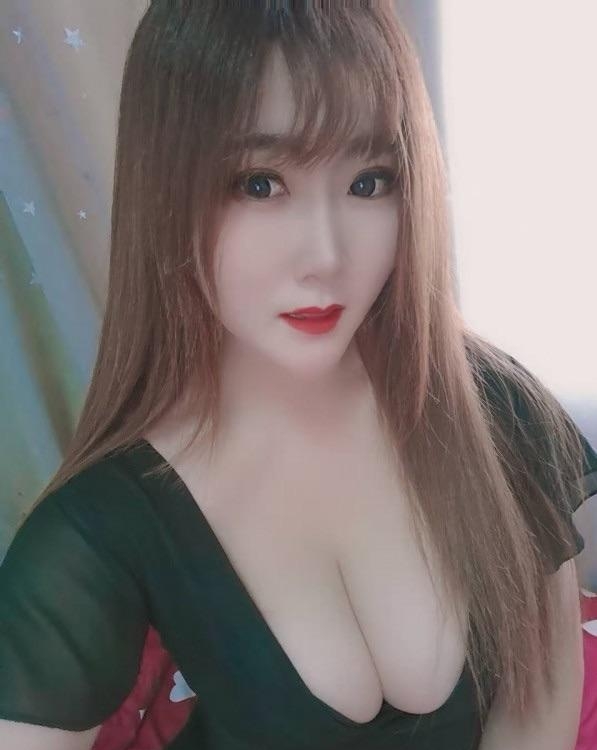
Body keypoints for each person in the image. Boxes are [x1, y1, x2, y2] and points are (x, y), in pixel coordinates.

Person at [1, 3, 596, 749]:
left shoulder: (491, 404)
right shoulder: (103, 526)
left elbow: (541, 700)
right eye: (259, 184)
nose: (325, 255)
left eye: (370, 181)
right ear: (163, 191)